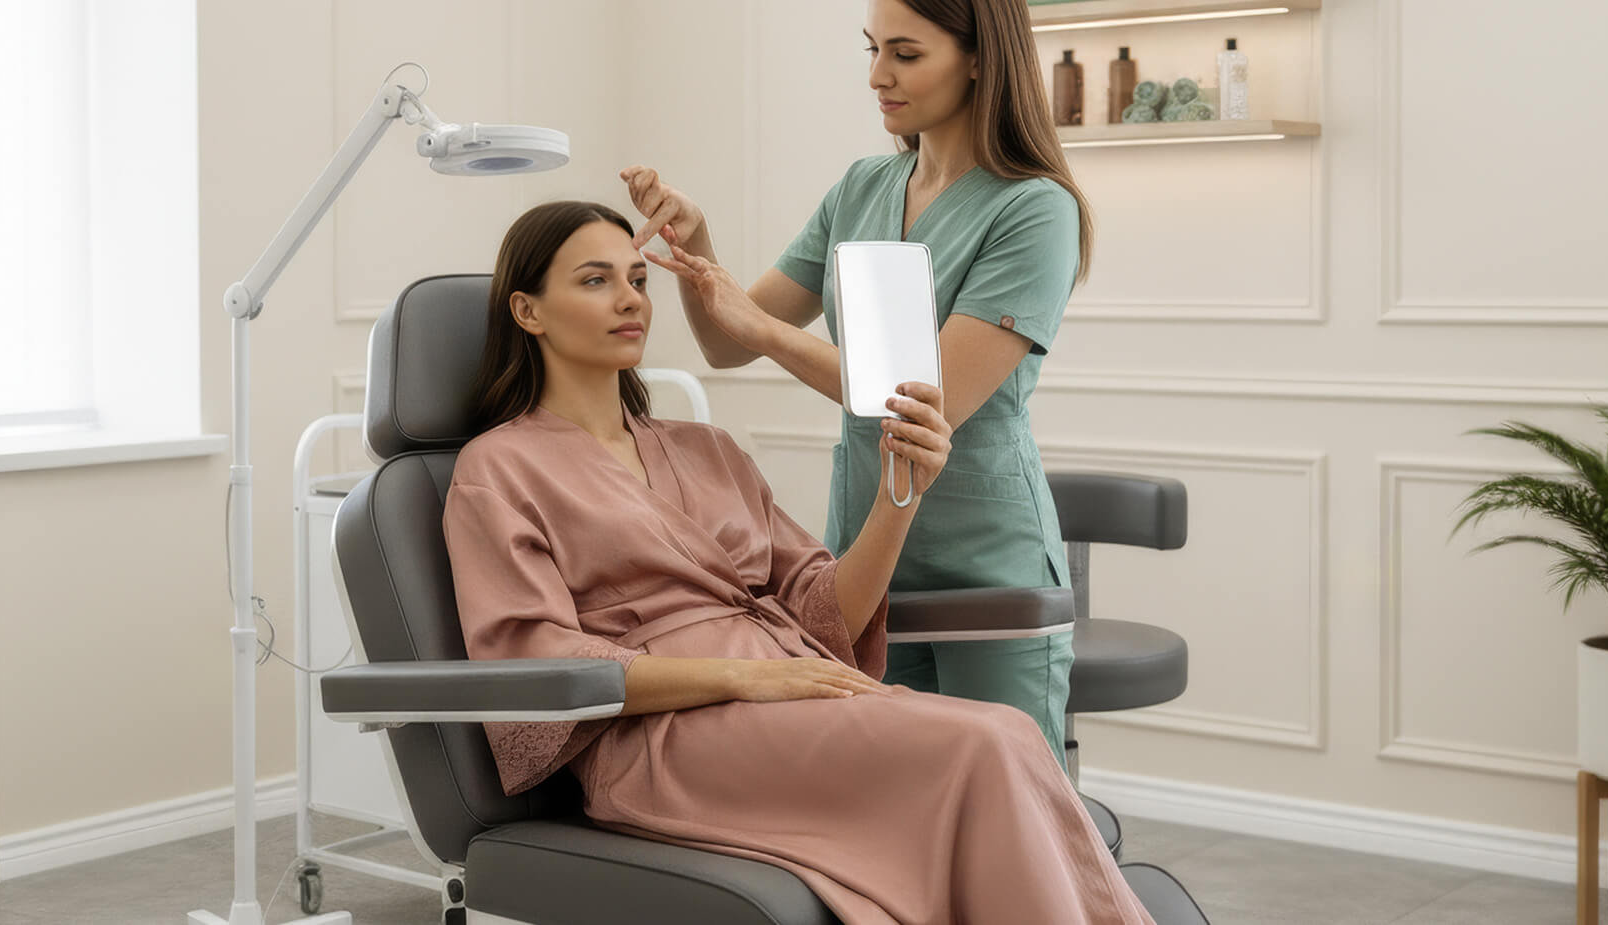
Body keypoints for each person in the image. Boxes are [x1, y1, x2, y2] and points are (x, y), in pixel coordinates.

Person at [447, 200, 1157, 924]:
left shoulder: (706, 447)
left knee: (1004, 733)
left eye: (637, 277)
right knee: (986, 742)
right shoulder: (496, 468)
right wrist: (747, 678)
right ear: (528, 311)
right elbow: (536, 659)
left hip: (791, 687)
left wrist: (900, 493)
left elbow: (824, 613)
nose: (631, 297)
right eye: (596, 280)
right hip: (661, 738)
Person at [626, 0, 1093, 762]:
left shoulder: (1033, 210)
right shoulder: (861, 189)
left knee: (1016, 806)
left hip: (989, 565)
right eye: (873, 49)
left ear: (980, 58)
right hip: (864, 562)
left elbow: (921, 397)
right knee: (894, 810)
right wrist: (698, 245)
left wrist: (764, 331)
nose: (878, 75)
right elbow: (728, 345)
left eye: (906, 54)